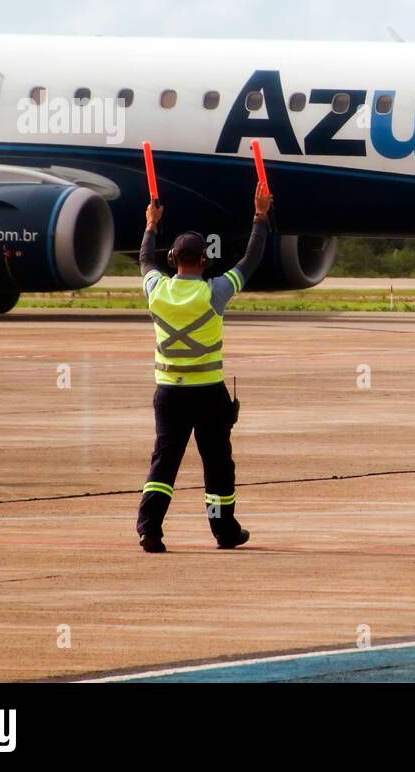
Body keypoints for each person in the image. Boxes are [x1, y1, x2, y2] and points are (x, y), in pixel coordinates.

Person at [135, 183, 271, 553]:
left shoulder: (156, 290)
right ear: (204, 261)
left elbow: (145, 259)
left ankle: (149, 529)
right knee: (217, 467)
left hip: (168, 393)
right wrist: (259, 216)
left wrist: (150, 224)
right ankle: (223, 529)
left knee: (164, 464)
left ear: (173, 260)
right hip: (208, 393)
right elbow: (251, 259)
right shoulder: (215, 291)